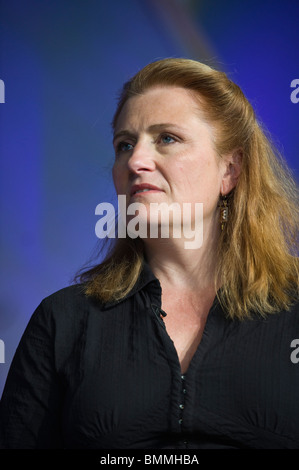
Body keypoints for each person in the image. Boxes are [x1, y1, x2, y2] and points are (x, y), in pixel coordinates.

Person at [1, 58, 299, 449]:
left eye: (167, 139)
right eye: (125, 144)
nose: (136, 161)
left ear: (230, 169)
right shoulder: (63, 321)